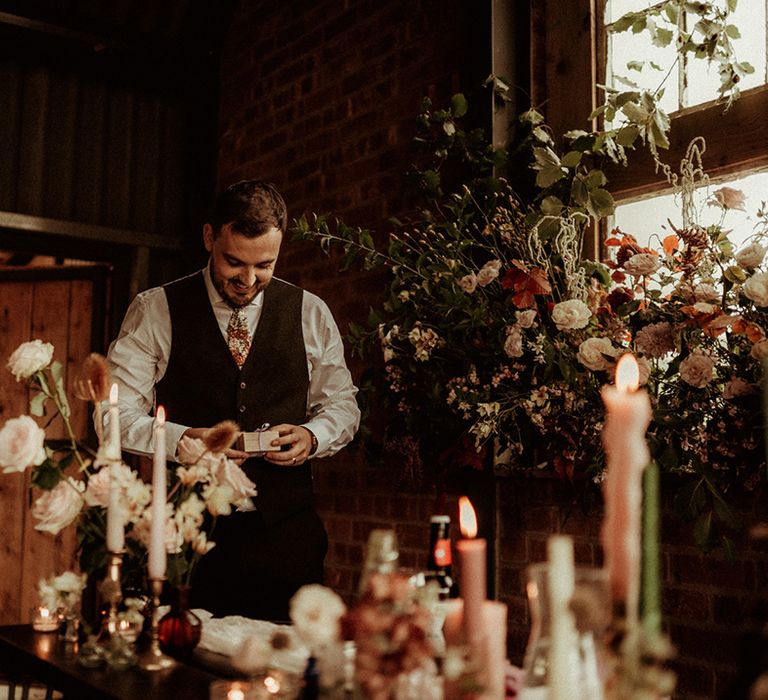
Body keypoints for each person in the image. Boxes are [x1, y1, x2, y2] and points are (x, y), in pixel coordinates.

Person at [104, 179, 360, 621]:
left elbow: (342, 405)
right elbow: (111, 415)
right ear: (210, 238)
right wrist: (183, 440)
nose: (247, 280)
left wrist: (311, 436)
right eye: (234, 262)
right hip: (189, 541)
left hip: (286, 539)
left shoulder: (310, 312)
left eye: (265, 265)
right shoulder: (156, 309)